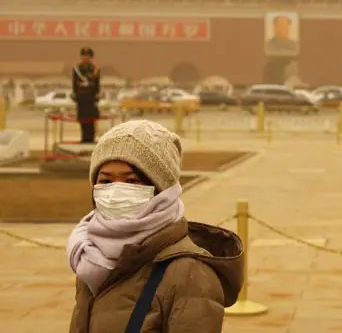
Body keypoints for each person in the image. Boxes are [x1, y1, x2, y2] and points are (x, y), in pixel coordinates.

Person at [67, 120, 244, 332]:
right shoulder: (90, 256)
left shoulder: (188, 274)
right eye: (105, 181)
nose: (115, 191)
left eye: (131, 181)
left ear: (160, 189)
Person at [72, 47, 101, 143]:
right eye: (84, 56)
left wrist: (97, 95)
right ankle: (84, 138)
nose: (86, 57)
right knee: (82, 119)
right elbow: (74, 84)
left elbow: (97, 84)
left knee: (91, 119)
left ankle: (91, 138)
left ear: (90, 57)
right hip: (81, 97)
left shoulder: (95, 69)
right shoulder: (77, 69)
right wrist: (75, 94)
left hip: (91, 97)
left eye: (87, 56)